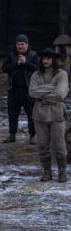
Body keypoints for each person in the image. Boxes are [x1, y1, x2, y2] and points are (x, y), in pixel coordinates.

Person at [29, 48, 69, 182]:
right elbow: (32, 92)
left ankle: (62, 171)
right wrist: (52, 88)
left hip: (57, 112)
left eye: (48, 58)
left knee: (59, 145)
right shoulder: (36, 74)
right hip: (39, 113)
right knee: (42, 145)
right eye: (43, 58)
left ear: (53, 60)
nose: (45, 61)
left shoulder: (61, 74)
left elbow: (60, 94)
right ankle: (47, 171)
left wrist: (43, 93)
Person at [2, 34, 40, 144]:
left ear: (27, 44)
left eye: (22, 44)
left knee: (32, 115)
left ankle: (32, 136)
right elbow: (4, 68)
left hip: (29, 91)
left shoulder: (33, 55)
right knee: (12, 114)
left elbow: (38, 69)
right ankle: (12, 135)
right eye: (18, 44)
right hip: (13, 90)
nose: (20, 46)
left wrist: (26, 63)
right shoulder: (11, 55)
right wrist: (16, 64)